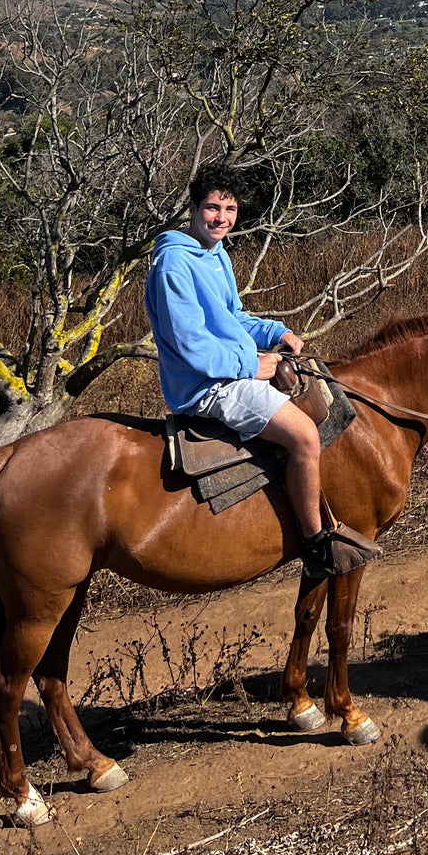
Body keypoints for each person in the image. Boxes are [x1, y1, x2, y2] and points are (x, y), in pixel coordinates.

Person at [145, 167, 380, 579]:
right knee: (305, 435)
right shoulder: (174, 266)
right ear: (194, 209)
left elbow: (233, 317)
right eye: (213, 208)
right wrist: (251, 365)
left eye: (230, 208)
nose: (222, 218)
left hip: (231, 371)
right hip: (208, 387)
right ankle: (316, 546)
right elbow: (190, 345)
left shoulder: (216, 254)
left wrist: (276, 331)